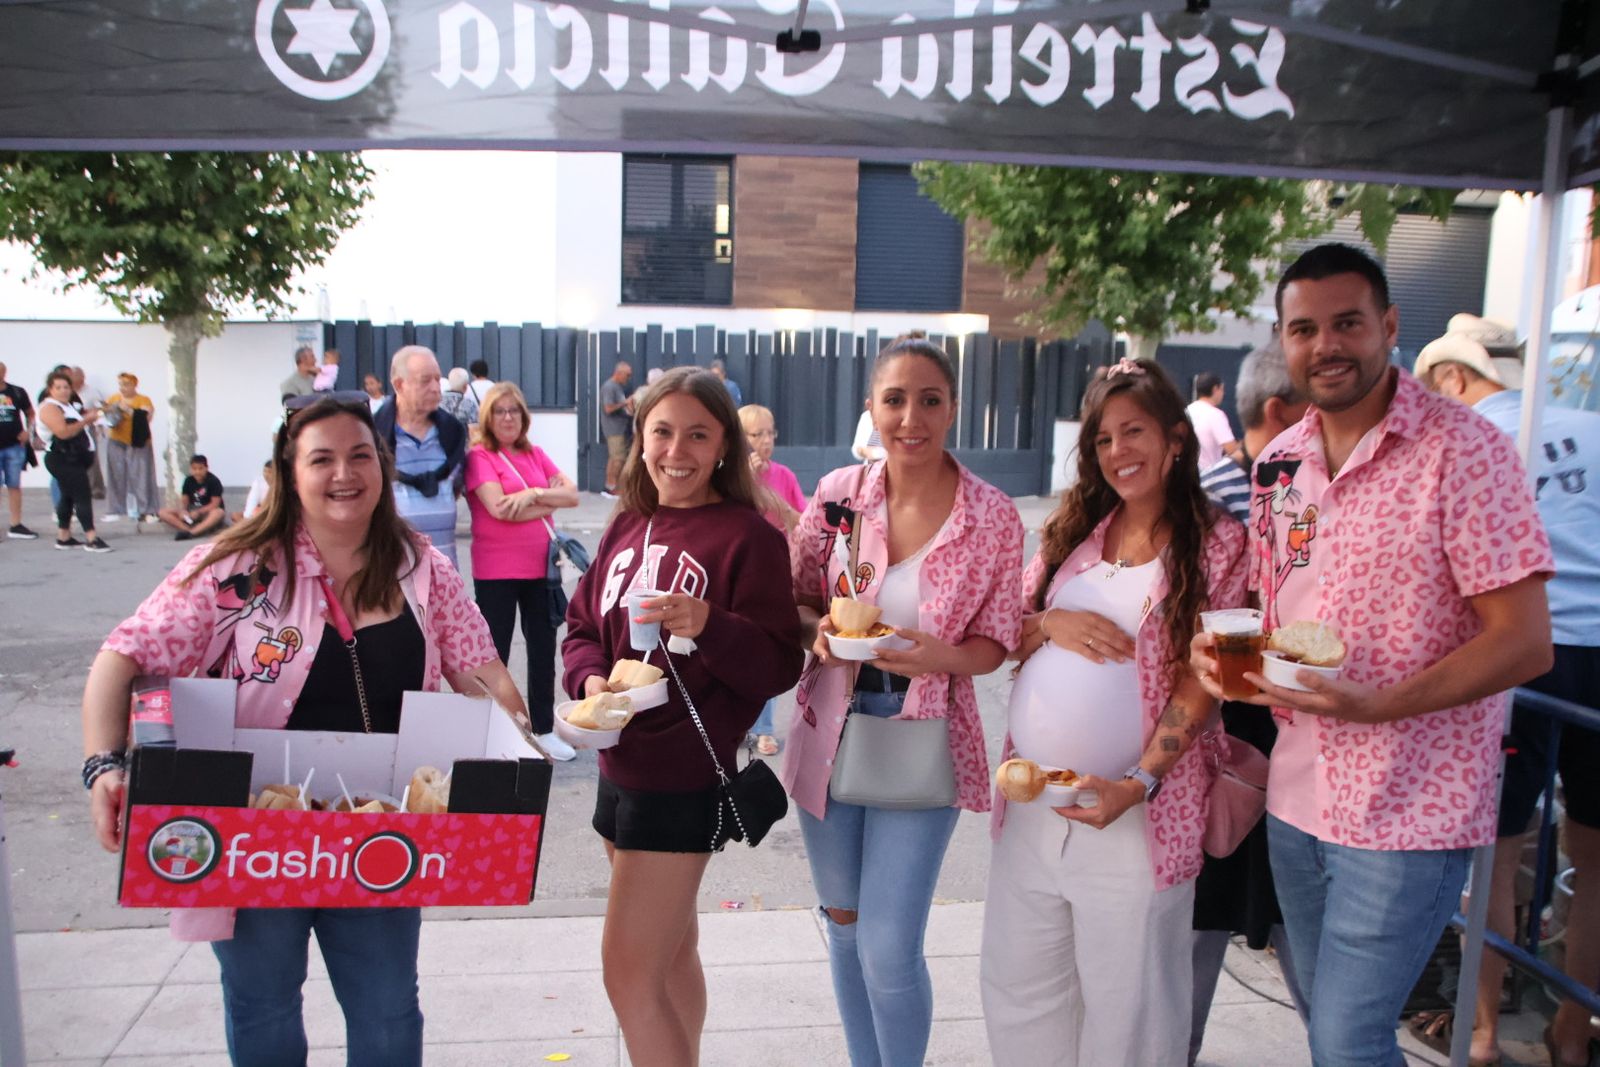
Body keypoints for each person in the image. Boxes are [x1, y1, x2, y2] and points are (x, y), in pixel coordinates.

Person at [81, 392, 532, 1067]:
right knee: (263, 1010)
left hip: (382, 830)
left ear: (381, 467)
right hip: (255, 836)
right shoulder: (238, 568)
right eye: (321, 459)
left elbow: (483, 673)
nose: (343, 473)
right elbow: (123, 656)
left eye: (359, 455)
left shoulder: (422, 568)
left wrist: (514, 737)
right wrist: (103, 765)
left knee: (387, 1014)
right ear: (289, 473)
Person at [1189, 243, 1555, 1067]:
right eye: (1305, 328)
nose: (1327, 344)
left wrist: (1379, 701)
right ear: (1283, 343)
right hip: (1294, 797)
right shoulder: (1279, 465)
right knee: (1329, 1035)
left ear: (1389, 326)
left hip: (1409, 806)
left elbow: (1526, 640)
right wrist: (1219, 649)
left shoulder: (1465, 451)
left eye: (1347, 322)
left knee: (1351, 1043)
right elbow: (1272, 603)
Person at [980, 358, 1248, 1064]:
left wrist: (1139, 781)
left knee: (1130, 1008)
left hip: (1136, 814)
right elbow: (1012, 626)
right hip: (1035, 801)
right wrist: (1049, 624)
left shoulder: (1219, 540)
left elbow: (1207, 679)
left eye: (1134, 432)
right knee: (1021, 990)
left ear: (1176, 439)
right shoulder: (1075, 530)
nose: (1117, 451)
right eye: (1103, 438)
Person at [783, 334, 1023, 1067]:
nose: (911, 416)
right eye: (895, 399)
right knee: (847, 926)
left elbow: (997, 640)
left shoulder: (992, 515)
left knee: (889, 946)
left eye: (929, 399)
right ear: (871, 408)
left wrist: (938, 655)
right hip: (831, 723)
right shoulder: (837, 498)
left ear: (953, 408)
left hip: (924, 735)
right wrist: (818, 630)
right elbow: (793, 599)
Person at [562, 367, 803, 1067]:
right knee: (669, 957)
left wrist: (709, 622)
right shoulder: (628, 524)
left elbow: (778, 664)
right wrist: (591, 679)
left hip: (682, 777)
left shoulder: (748, 538)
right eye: (662, 431)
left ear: (725, 444)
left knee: (627, 972)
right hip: (617, 764)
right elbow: (580, 625)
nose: (677, 450)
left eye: (698, 434)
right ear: (640, 439)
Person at [1414, 330, 1600, 1067]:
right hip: (1597, 651)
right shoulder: (1587, 424)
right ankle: (1571, 1029)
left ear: (1453, 379)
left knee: (1492, 849)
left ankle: (1483, 1031)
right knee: (1594, 857)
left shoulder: (1465, 437)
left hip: (1522, 650)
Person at [1190, 340, 1310, 1065]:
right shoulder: (1257, 491)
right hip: (1253, 743)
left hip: (1245, 749)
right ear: (1283, 410)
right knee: (1283, 923)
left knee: (1207, 926)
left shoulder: (1217, 490)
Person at [467, 382, 581, 762]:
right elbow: (498, 508)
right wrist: (547, 501)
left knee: (543, 652)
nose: (508, 418)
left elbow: (573, 495)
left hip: (540, 569)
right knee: (493, 654)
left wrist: (531, 495)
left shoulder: (535, 453)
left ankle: (544, 730)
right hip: (496, 571)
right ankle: (497, 732)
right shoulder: (480, 456)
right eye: (499, 411)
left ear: (524, 416)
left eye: (514, 410)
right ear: (488, 417)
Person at [737, 403, 806, 757]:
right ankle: (734, 723)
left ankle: (763, 728)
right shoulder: (728, 476)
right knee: (734, 651)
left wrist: (774, 500)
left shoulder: (784, 476)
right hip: (735, 575)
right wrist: (744, 481)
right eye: (755, 434)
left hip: (776, 574)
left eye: (770, 432)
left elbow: (804, 524)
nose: (765, 441)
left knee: (767, 650)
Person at [374, 347, 466, 568]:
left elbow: (455, 488)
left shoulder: (452, 434)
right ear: (399, 385)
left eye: (437, 379)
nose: (436, 388)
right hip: (390, 577)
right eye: (425, 381)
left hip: (445, 576)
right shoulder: (373, 437)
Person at [36, 369, 111, 552]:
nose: (63, 390)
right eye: (58, 387)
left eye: (66, 387)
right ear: (50, 389)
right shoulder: (49, 407)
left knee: (67, 496)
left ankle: (64, 536)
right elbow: (63, 432)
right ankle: (91, 537)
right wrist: (87, 420)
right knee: (82, 495)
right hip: (62, 458)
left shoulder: (69, 406)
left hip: (76, 457)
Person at [103, 372, 160, 523]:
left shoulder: (143, 399)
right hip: (116, 439)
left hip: (138, 441)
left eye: (127, 384)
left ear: (135, 385)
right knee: (116, 475)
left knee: (142, 475)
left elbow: (147, 417)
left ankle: (147, 510)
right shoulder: (113, 398)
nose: (123, 388)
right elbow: (105, 416)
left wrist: (127, 409)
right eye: (121, 384)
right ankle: (115, 509)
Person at [0, 362, 38, 539]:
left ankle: (16, 524)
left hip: (14, 446)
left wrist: (28, 432)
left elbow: (30, 413)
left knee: (14, 485)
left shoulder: (17, 392)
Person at [158, 454, 227, 541]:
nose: (197, 472)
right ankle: (188, 530)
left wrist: (199, 512)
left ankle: (192, 533)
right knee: (162, 512)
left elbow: (215, 504)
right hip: (192, 511)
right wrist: (184, 511)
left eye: (200, 468)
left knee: (219, 513)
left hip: (207, 511)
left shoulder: (213, 481)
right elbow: (185, 500)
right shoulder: (188, 480)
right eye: (194, 469)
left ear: (206, 468)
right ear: (191, 469)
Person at [1186, 371, 1242, 471]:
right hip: (1209, 478)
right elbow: (1232, 450)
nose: (1223, 393)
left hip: (1187, 476)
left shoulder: (1186, 412)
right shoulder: (1216, 415)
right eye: (1222, 389)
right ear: (1215, 389)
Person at [70, 366, 108, 499]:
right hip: (71, 428)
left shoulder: (92, 392)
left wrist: (96, 419)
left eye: (75, 377)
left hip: (88, 428)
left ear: (82, 378)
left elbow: (102, 409)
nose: (72, 380)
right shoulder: (66, 392)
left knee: (92, 460)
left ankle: (96, 489)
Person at [599, 361, 633, 497]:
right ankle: (611, 488)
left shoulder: (617, 387)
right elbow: (608, 408)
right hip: (613, 429)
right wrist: (625, 402)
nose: (629, 378)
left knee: (614, 459)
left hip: (619, 428)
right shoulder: (610, 387)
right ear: (618, 373)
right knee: (618, 458)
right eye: (627, 375)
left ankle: (609, 486)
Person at [439, 367, 480, 431]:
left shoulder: (437, 403)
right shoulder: (469, 405)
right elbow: (473, 430)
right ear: (465, 387)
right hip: (462, 440)